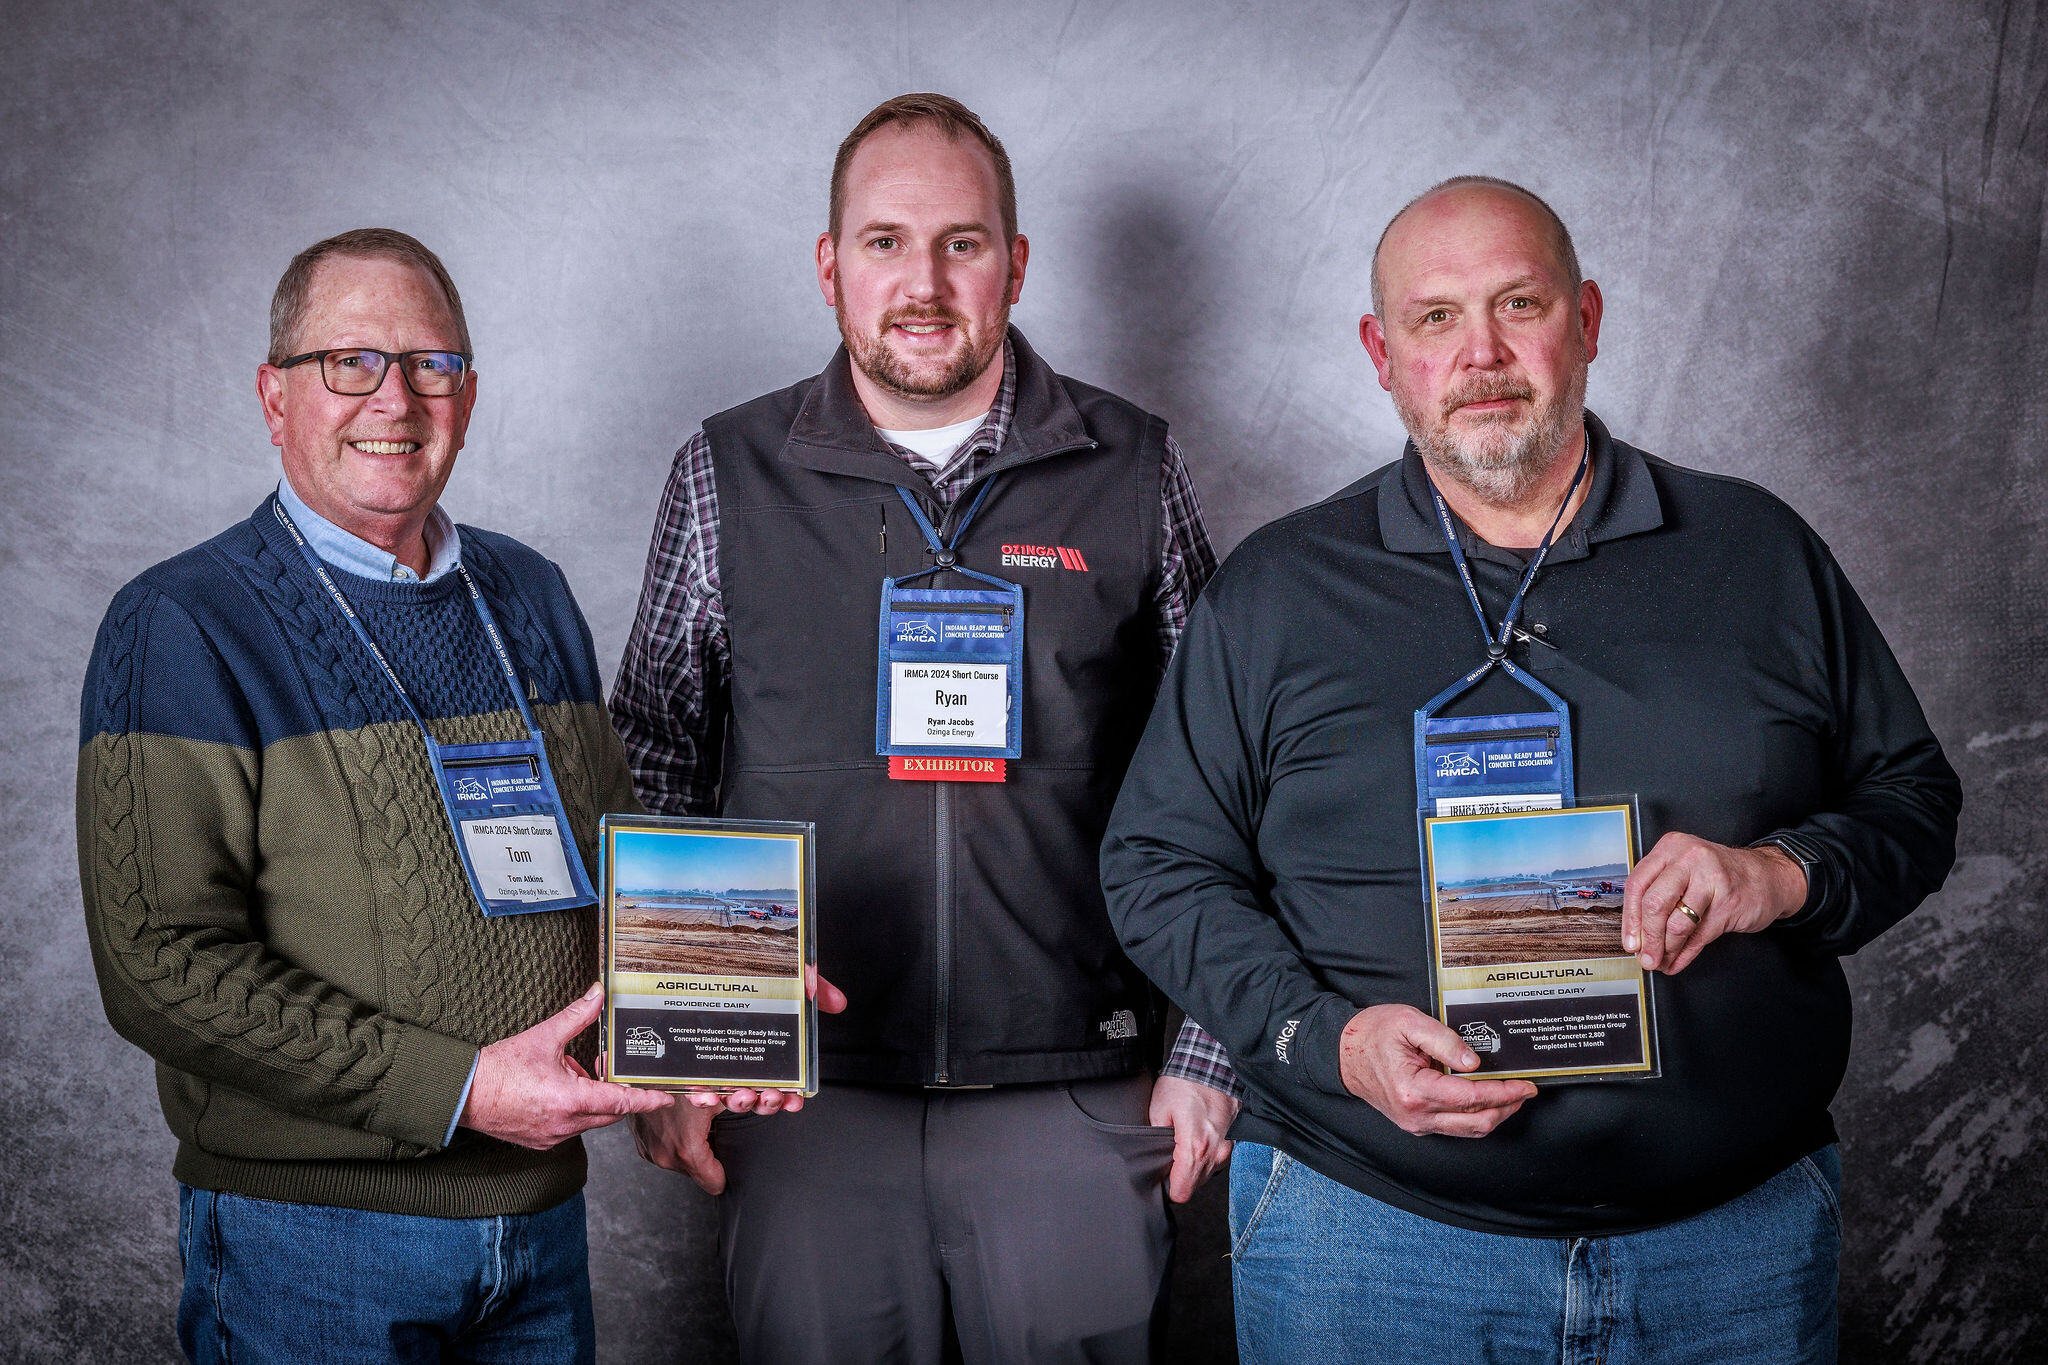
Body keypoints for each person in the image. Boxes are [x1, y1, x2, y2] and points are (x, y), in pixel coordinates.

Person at [1100, 177, 1962, 1364]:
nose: (1482, 353)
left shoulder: (1754, 550)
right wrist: (1329, 1042)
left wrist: (1775, 873)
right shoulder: (1279, 591)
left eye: (1519, 303)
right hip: (1366, 1239)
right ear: (1380, 350)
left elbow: (1911, 801)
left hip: (1732, 1251)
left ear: (1589, 319)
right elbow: (1157, 864)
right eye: (1435, 318)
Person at [612, 93, 1240, 1362]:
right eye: (886, 241)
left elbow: (1228, 776)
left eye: (961, 242)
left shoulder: (1132, 466)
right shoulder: (726, 472)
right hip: (801, 1096)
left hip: (1075, 1091)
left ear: (1014, 264)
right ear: (829, 266)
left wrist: (1211, 1054)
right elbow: (659, 760)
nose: (923, 280)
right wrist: (675, 1047)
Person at [77, 228, 675, 1363]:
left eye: (430, 363)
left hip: (539, 1227)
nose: (393, 397)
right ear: (273, 396)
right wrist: (456, 1088)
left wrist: (700, 1016)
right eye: (348, 360)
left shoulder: (529, 592)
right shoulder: (182, 624)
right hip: (309, 1243)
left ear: (469, 390)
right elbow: (158, 963)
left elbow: (616, 862)